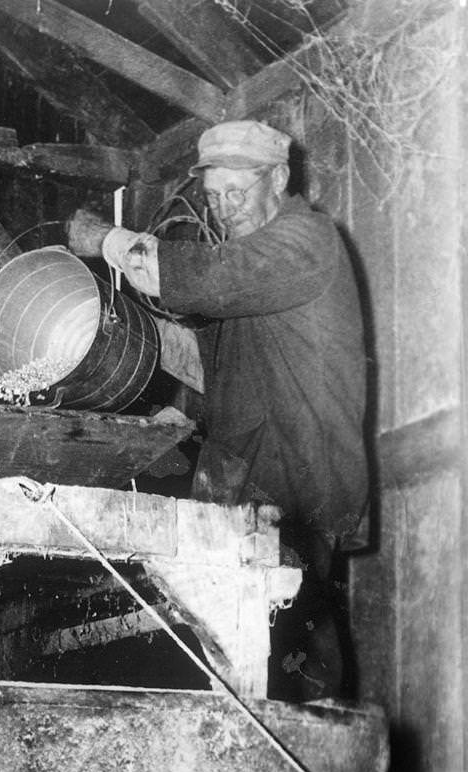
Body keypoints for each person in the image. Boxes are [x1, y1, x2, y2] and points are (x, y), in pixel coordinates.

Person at [67, 119, 370, 702]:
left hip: (298, 482)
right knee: (251, 654)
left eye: (237, 192)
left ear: (278, 179)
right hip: (251, 480)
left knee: (286, 657)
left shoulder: (304, 241)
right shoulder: (254, 276)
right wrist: (159, 394)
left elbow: (196, 275)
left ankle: (313, 748)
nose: (225, 209)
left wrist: (104, 239)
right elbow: (215, 369)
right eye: (213, 196)